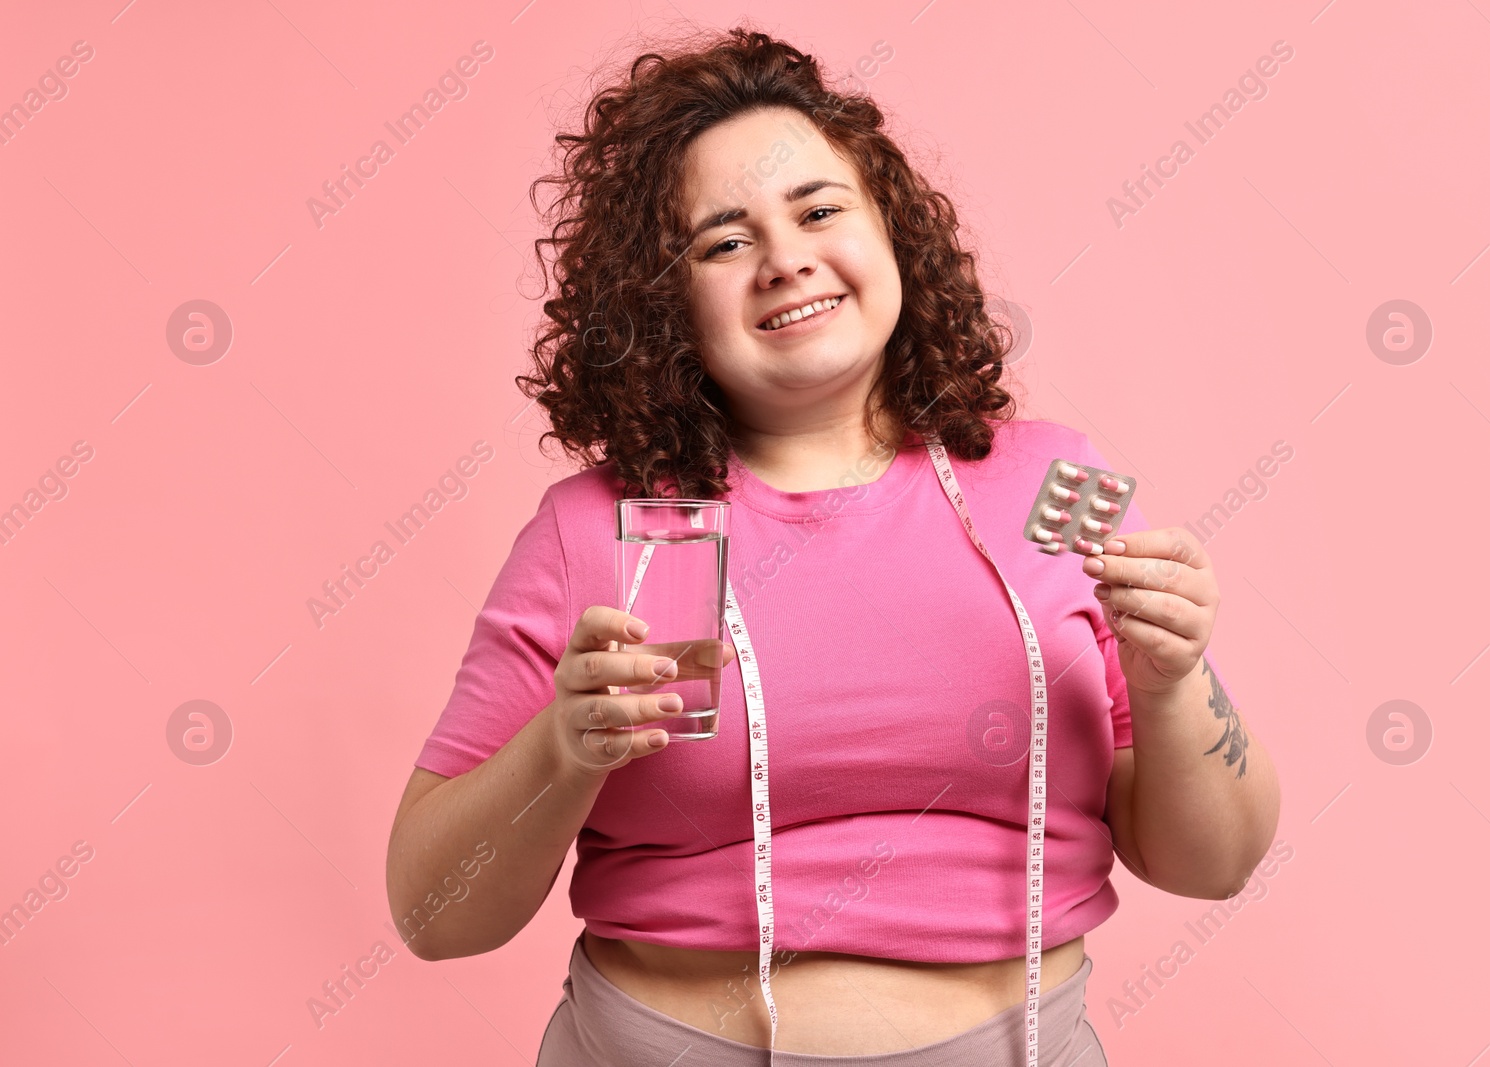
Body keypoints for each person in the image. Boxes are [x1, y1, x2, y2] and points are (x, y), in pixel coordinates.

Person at [384, 24, 1280, 1066]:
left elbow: (1215, 861)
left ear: (891, 231)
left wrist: (1170, 684)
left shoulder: (1051, 486)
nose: (784, 258)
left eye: (817, 209)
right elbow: (433, 914)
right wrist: (561, 747)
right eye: (723, 240)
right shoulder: (602, 534)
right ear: (662, 302)